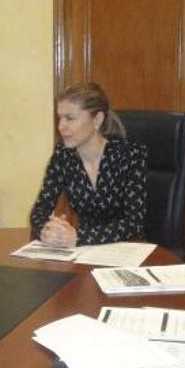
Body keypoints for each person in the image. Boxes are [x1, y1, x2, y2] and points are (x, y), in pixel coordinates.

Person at [29, 82, 147, 247]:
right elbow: (39, 210)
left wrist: (79, 237)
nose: (61, 127)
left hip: (126, 249)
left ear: (97, 119)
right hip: (83, 251)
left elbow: (134, 222)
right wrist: (48, 230)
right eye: (59, 118)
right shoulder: (63, 156)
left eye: (70, 118)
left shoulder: (129, 155)